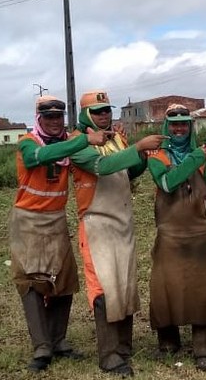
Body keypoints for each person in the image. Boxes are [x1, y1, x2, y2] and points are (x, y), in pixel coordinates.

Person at [8, 95, 110, 372]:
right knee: (30, 282)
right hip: (28, 220)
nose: (54, 121)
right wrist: (84, 140)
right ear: (39, 118)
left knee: (63, 282)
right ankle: (41, 347)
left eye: (58, 117)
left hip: (56, 219)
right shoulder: (29, 142)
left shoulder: (70, 141)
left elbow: (93, 154)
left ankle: (58, 340)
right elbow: (36, 159)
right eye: (48, 117)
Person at [69, 90, 166, 377]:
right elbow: (102, 166)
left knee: (124, 286)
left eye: (106, 110)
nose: (104, 115)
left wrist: (142, 156)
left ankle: (124, 347)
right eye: (97, 111)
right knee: (103, 290)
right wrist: (136, 147)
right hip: (97, 223)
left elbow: (129, 170)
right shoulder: (77, 142)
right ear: (85, 114)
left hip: (123, 223)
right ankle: (109, 355)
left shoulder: (115, 138)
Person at [146, 103, 206, 372]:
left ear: (190, 127)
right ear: (167, 128)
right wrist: (194, 159)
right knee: (165, 290)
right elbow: (167, 184)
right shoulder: (158, 157)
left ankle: (204, 348)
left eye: (184, 124)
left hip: (200, 235)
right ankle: (168, 344)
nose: (179, 129)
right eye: (174, 124)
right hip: (169, 236)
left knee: (203, 292)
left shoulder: (205, 160)